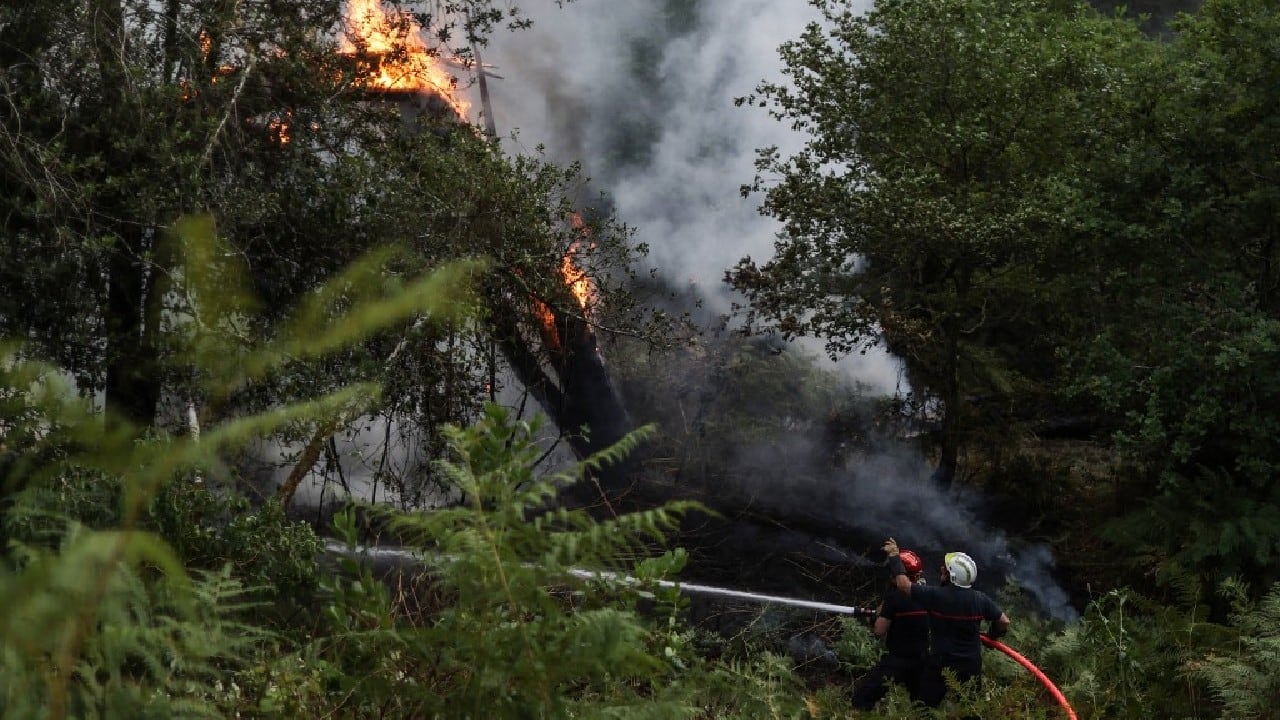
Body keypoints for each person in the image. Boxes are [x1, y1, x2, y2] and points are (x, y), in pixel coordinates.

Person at [882, 537, 1010, 710]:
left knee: (924, 708)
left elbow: (904, 586)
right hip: (970, 665)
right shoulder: (981, 599)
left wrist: (895, 557)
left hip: (940, 665)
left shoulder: (936, 596)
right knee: (970, 708)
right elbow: (1003, 621)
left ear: (951, 576)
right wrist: (993, 636)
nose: (941, 569)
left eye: (945, 569)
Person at [852, 548, 930, 711]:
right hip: (923, 660)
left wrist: (877, 617)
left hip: (898, 660)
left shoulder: (894, 598)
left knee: (862, 699)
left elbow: (879, 631)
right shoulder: (928, 593)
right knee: (921, 706)